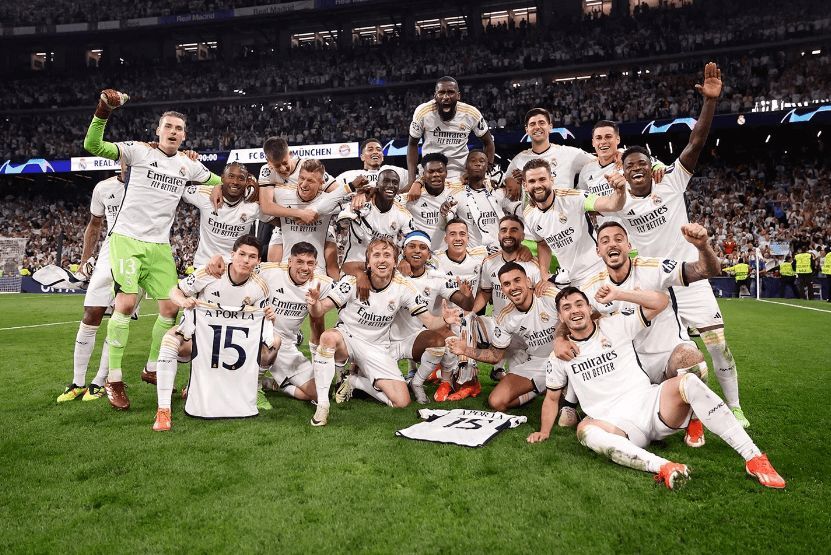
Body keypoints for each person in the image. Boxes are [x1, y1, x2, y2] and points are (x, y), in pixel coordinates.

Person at [527, 286, 786, 490]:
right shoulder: (558, 355)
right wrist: (544, 431)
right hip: (616, 425)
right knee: (585, 431)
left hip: (652, 405)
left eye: (579, 304)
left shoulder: (614, 324)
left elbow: (661, 302)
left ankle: (754, 458)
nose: (574, 310)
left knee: (690, 381)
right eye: (566, 307)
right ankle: (665, 467)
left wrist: (618, 294)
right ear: (560, 316)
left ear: (589, 307)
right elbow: (551, 399)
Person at [615, 62, 750, 428]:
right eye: (630, 166)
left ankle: (734, 406)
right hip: (652, 285)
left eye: (642, 162)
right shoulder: (617, 202)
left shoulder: (671, 182)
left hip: (690, 277)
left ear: (650, 164)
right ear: (624, 172)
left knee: (718, 343)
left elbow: (696, 142)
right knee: (657, 353)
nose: (637, 168)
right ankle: (672, 408)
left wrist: (709, 102)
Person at [82, 89, 222, 411]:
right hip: (127, 240)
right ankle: (113, 380)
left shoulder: (188, 167)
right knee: (127, 304)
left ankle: (152, 368)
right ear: (157, 131)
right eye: (168, 126)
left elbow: (224, 181)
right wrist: (104, 110)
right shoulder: (138, 152)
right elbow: (93, 146)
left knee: (170, 309)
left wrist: (230, 185)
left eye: (180, 129)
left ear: (185, 136)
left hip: (160, 246)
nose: (174, 132)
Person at [568, 221, 721, 447]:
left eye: (619, 239)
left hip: (668, 356)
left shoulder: (653, 267)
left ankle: (694, 418)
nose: (613, 244)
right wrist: (560, 338)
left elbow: (707, 270)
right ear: (598, 250)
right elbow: (569, 316)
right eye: (605, 240)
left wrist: (703, 247)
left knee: (692, 358)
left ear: (629, 245)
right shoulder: (590, 286)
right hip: (630, 368)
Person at [306, 237, 458, 426]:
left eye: (387, 255)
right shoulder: (352, 281)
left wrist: (445, 319)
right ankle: (322, 406)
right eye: (376, 255)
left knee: (401, 402)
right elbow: (320, 310)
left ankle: (353, 380)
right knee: (328, 337)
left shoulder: (403, 287)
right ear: (368, 262)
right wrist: (313, 304)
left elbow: (429, 320)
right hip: (348, 339)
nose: (382, 260)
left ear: (395, 261)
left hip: (377, 347)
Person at [152, 235, 275, 431]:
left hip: (231, 349)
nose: (246, 260)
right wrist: (183, 302)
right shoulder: (210, 273)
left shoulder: (260, 286)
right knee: (169, 340)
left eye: (252, 257)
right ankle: (164, 409)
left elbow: (263, 320)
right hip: (196, 340)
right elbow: (174, 291)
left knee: (274, 343)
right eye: (242, 254)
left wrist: (269, 314)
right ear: (232, 254)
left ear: (259, 261)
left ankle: (254, 388)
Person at [57, 163, 133, 403]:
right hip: (109, 254)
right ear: (120, 163)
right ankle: (77, 383)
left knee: (119, 316)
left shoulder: (148, 186)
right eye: (125, 161)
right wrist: (84, 260)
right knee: (91, 313)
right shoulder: (103, 188)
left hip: (135, 255)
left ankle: (99, 382)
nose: (129, 165)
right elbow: (95, 224)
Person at [447, 262, 559, 413]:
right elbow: (495, 355)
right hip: (538, 362)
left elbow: (582, 316)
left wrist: (563, 339)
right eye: (506, 284)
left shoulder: (550, 296)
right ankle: (541, 387)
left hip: (566, 355)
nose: (512, 287)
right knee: (496, 402)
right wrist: (464, 350)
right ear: (502, 289)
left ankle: (566, 395)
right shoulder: (506, 317)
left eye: (517, 280)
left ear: (528, 281)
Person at [395, 230, 474, 404]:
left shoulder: (436, 278)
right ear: (403, 251)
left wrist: (467, 296)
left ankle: (429, 382)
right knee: (390, 393)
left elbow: (466, 304)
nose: (417, 251)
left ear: (429, 254)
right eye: (412, 246)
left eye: (423, 248)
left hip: (419, 337)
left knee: (449, 340)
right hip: (388, 340)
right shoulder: (392, 274)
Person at [522, 158, 627, 287]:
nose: (537, 185)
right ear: (525, 186)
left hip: (599, 272)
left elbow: (612, 205)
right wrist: (544, 276)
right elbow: (542, 244)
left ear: (551, 180)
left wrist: (620, 191)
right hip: (570, 281)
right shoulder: (529, 215)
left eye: (542, 179)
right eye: (532, 181)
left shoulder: (574, 198)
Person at [257, 242, 333, 404]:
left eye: (310, 263)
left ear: (316, 265)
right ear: (289, 261)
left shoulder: (321, 283)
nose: (305, 268)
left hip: (286, 347)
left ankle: (276, 384)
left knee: (319, 395)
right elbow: (238, 266)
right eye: (299, 261)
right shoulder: (270, 271)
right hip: (259, 340)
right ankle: (253, 386)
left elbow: (348, 293)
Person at [473, 215, 541, 381]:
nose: (508, 234)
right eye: (504, 230)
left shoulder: (533, 265)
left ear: (523, 236)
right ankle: (468, 378)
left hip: (524, 332)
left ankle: (502, 366)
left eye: (514, 230)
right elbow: (485, 292)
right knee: (467, 325)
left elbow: (540, 300)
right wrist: (469, 313)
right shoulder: (489, 262)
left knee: (520, 381)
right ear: (498, 235)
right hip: (498, 324)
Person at [431, 218, 489, 401]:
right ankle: (445, 377)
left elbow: (485, 291)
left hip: (468, 315)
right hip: (440, 317)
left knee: (466, 323)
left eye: (462, 234)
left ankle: (468, 382)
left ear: (468, 237)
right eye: (453, 234)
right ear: (446, 238)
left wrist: (471, 311)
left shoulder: (480, 256)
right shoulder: (434, 259)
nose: (458, 238)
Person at [408, 76, 494, 185]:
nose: (446, 97)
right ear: (435, 96)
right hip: (430, 175)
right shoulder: (423, 112)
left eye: (451, 92)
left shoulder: (471, 113)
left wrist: (486, 170)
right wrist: (411, 180)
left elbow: (489, 142)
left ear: (458, 95)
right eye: (441, 92)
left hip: (461, 176)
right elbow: (412, 144)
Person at [182, 162, 261, 267]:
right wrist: (186, 159)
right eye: (231, 176)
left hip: (235, 267)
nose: (235, 182)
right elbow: (177, 189)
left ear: (247, 182)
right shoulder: (205, 194)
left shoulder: (254, 205)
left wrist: (261, 193)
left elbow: (277, 219)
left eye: (241, 178)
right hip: (204, 265)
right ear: (222, 178)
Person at [503, 108, 595, 197]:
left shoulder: (569, 153)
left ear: (550, 127)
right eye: (532, 124)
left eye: (541, 123)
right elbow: (506, 188)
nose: (537, 127)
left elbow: (599, 164)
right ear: (527, 130)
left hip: (564, 212)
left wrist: (584, 194)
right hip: (531, 212)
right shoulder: (518, 160)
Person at [446, 150, 504, 249]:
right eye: (473, 161)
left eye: (482, 161)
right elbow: (450, 223)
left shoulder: (498, 193)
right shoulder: (456, 195)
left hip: (500, 253)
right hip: (473, 255)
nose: (477, 164)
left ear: (487, 167)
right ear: (466, 166)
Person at [404, 153, 454, 252]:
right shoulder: (413, 195)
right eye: (431, 172)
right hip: (420, 254)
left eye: (440, 171)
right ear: (423, 175)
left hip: (446, 254)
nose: (436, 175)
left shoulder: (455, 190)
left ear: (446, 173)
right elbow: (390, 198)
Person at [336, 137, 408, 192]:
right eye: (370, 149)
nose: (375, 152)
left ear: (382, 157)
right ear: (362, 157)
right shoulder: (347, 176)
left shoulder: (396, 171)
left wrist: (398, 196)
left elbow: (416, 182)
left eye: (379, 150)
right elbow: (332, 194)